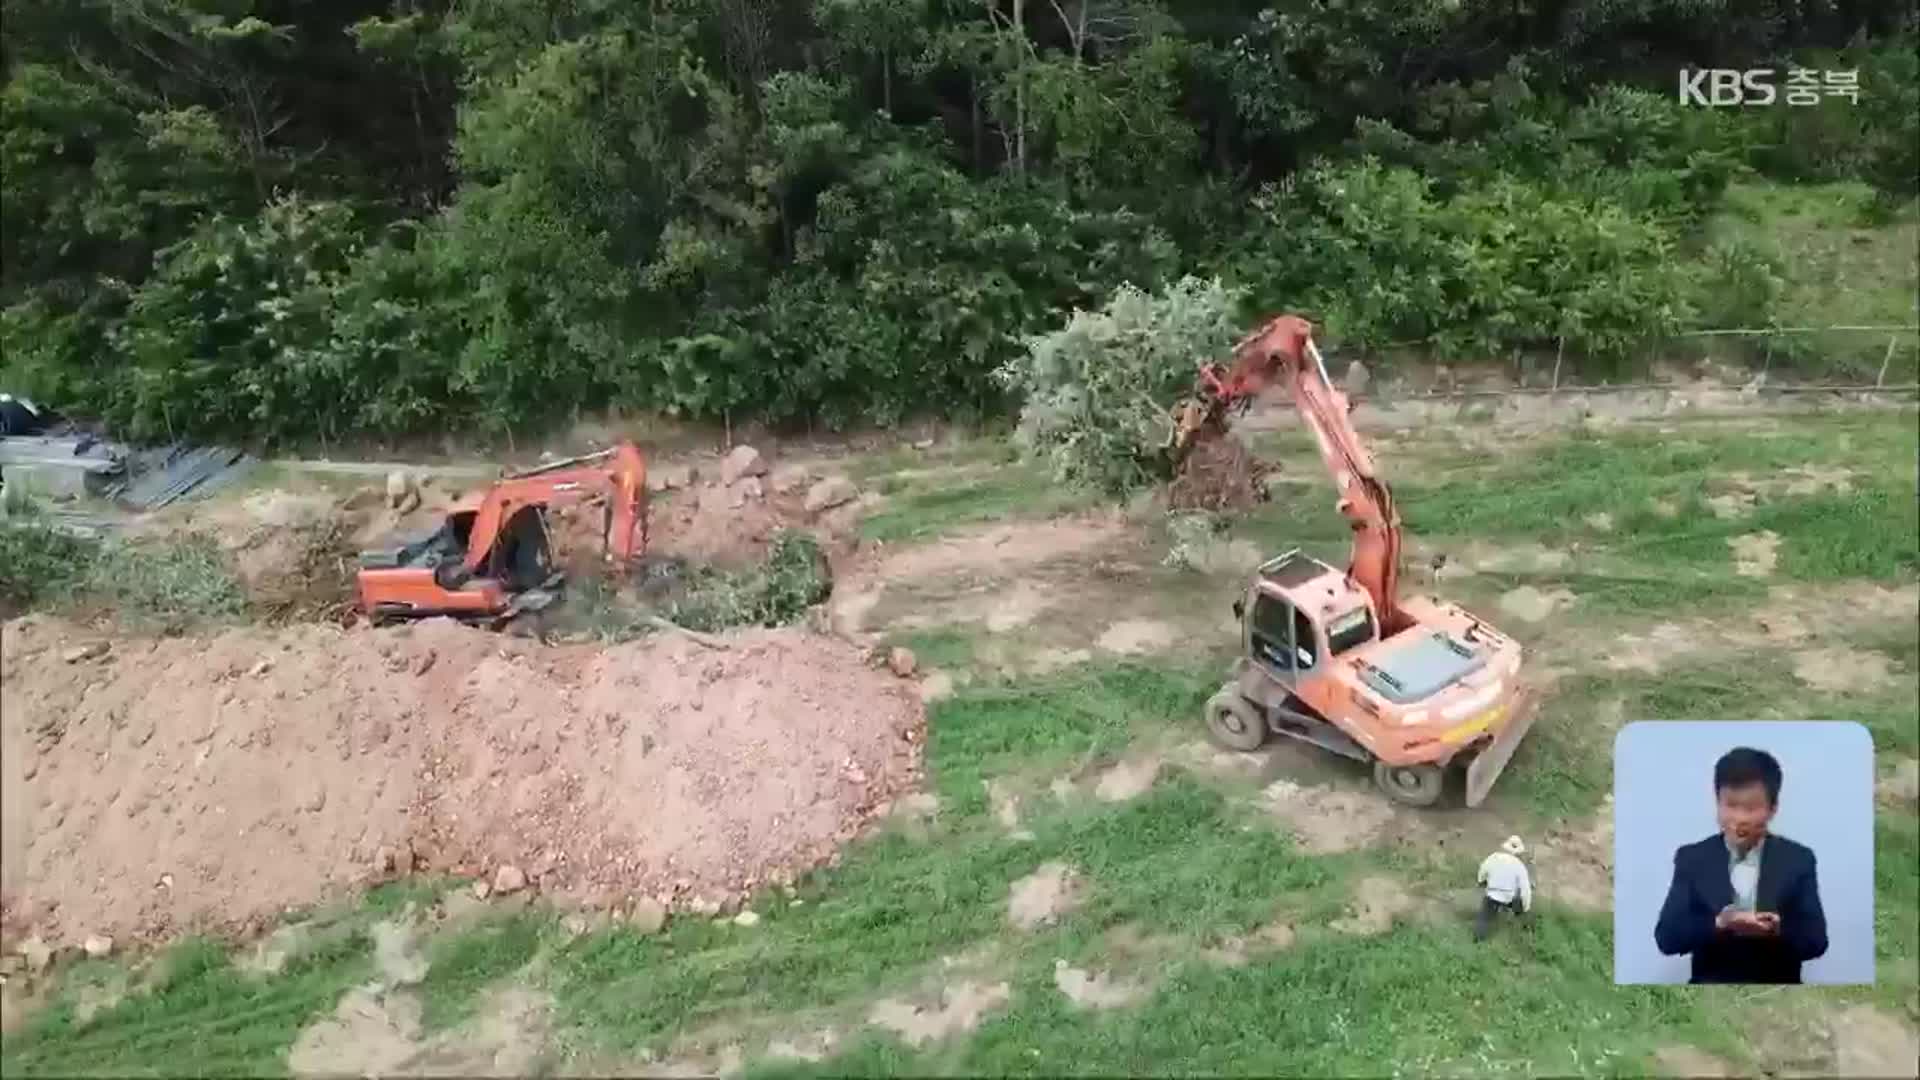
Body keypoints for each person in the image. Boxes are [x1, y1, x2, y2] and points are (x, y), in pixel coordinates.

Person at [1654, 746, 1827, 983]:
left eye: (1751, 808)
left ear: (1773, 809)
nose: (1740, 819)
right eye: (1731, 805)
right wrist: (1719, 923)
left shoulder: (1798, 859)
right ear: (1718, 803)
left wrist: (1778, 929)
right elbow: (1667, 938)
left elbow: (1816, 942)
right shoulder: (1692, 858)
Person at [1475, 835, 1532, 941]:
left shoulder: (1494, 857)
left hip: (1492, 895)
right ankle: (1526, 929)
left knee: (1484, 918)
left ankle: (1478, 940)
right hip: (1508, 897)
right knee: (1520, 906)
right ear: (1518, 852)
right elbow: (1525, 890)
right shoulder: (1519, 866)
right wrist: (1526, 908)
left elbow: (1483, 870)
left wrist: (1481, 881)